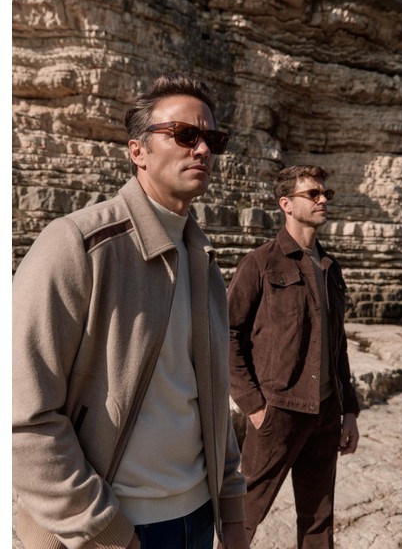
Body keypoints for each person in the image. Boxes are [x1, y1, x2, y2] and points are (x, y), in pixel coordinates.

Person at [12, 72, 250, 549]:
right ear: (137, 151)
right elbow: (22, 413)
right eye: (185, 134)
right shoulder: (79, 245)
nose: (203, 149)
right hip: (107, 529)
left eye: (213, 139)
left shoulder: (203, 259)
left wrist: (232, 512)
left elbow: (211, 396)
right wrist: (105, 531)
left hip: (198, 520)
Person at [228, 164, 360, 548]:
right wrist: (254, 406)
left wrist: (349, 411)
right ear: (286, 204)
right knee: (243, 515)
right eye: (312, 194)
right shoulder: (260, 263)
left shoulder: (330, 268)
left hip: (326, 413)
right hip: (278, 412)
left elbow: (338, 345)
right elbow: (227, 334)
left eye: (325, 194)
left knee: (318, 521)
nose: (323, 200)